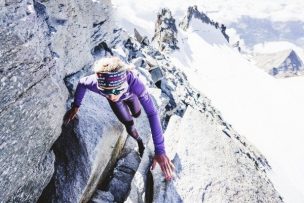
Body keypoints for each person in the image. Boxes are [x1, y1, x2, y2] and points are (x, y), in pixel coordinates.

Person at [64, 57, 174, 180]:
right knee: (129, 124)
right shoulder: (97, 82)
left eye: (116, 90)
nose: (112, 96)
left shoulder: (136, 84)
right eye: (105, 92)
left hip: (131, 95)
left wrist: (160, 150)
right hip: (126, 96)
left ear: (124, 84)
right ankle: (139, 141)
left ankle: (134, 114)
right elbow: (82, 83)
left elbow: (153, 114)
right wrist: (76, 106)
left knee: (137, 113)